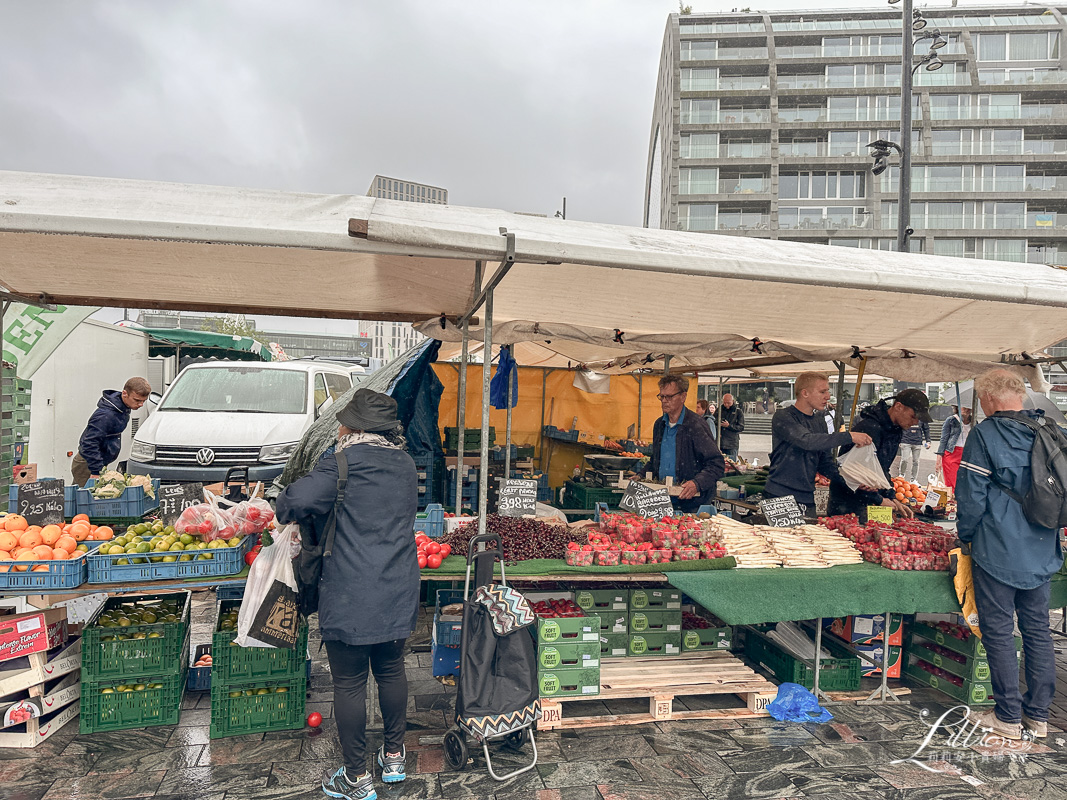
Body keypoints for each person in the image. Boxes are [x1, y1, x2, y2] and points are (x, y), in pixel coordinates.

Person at [277, 389, 419, 800]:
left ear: (353, 428)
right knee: (392, 670)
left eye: (343, 422)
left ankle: (356, 777)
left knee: (351, 682)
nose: (338, 428)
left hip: (352, 591)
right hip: (398, 587)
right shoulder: (406, 465)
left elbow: (292, 503)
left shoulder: (341, 462)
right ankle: (393, 757)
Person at [956, 368, 1062, 741]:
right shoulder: (1050, 429)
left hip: (998, 546)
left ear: (986, 398)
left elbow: (971, 497)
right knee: (1037, 631)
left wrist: (965, 536)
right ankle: (1038, 716)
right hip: (1042, 547)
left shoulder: (986, 433)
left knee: (999, 632)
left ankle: (1007, 717)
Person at [764, 372, 873, 515]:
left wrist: (852, 481)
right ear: (805, 393)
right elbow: (806, 441)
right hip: (779, 495)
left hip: (807, 498)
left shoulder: (819, 421)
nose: (827, 396)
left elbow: (824, 462)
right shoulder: (784, 416)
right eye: (822, 391)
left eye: (827, 391)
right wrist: (848, 436)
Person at [827, 390, 932, 518]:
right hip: (847, 501)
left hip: (868, 500)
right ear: (898, 406)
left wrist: (891, 497)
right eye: (913, 416)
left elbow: (882, 469)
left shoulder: (896, 430)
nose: (916, 422)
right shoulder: (870, 428)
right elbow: (854, 474)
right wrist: (880, 500)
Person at [650, 375, 725, 513]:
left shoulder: (695, 425)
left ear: (683, 396)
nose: (664, 401)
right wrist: (641, 474)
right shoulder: (659, 424)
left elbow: (716, 463)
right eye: (662, 397)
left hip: (692, 505)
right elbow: (655, 460)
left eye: (669, 397)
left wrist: (697, 483)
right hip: (663, 502)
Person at [72, 377, 151, 487]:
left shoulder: (122, 408)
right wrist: (96, 471)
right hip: (88, 464)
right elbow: (88, 443)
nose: (141, 404)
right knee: (84, 500)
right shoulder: (106, 415)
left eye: (143, 401)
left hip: (96, 462)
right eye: (137, 400)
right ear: (124, 394)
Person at [937, 405, 973, 489]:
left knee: (964, 480)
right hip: (952, 453)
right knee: (951, 480)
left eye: (968, 407)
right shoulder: (951, 420)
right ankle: (952, 499)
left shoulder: (974, 421)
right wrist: (939, 456)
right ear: (958, 407)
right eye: (963, 407)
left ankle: (959, 499)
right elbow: (943, 439)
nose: (966, 409)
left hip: (967, 454)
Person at [897, 414, 932, 484]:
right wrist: (899, 440)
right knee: (904, 459)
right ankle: (902, 475)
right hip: (906, 441)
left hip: (917, 442)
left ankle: (913, 479)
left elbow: (926, 429)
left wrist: (928, 441)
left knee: (916, 461)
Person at [718, 393, 745, 460]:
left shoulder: (738, 412)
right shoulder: (719, 410)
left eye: (728, 403)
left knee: (731, 462)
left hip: (732, 443)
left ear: (733, 401)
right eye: (725, 403)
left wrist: (729, 426)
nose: (726, 405)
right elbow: (714, 421)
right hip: (720, 442)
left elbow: (741, 427)